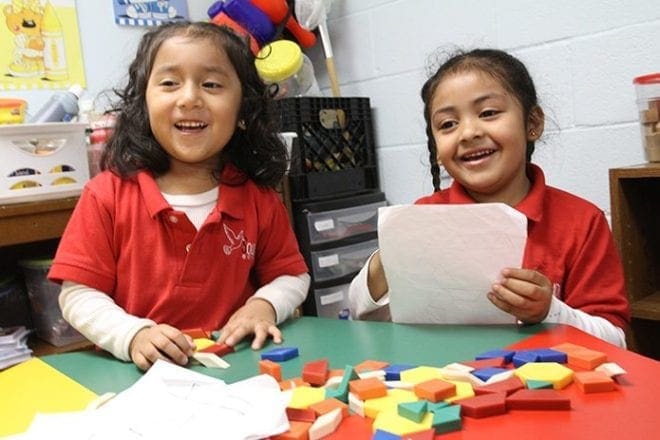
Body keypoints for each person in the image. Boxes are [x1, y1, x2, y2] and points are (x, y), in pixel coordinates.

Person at [48, 22, 310, 370]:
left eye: (212, 84)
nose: (189, 98)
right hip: (138, 380)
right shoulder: (106, 195)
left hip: (238, 372)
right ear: (143, 101)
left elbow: (292, 275)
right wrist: (132, 334)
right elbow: (77, 294)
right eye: (169, 83)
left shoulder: (258, 198)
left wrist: (263, 306)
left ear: (243, 109)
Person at [348, 48, 630, 347]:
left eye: (488, 113)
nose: (468, 132)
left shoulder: (581, 221)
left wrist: (550, 311)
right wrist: (389, 257)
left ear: (532, 123)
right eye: (447, 124)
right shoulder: (424, 216)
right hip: (445, 381)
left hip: (547, 386)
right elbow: (360, 313)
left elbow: (615, 340)